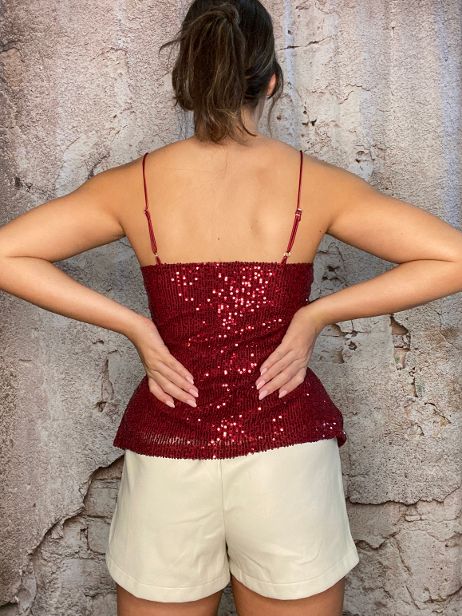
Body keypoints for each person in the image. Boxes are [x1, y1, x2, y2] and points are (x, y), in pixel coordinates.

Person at [1, 1, 461, 615]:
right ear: (271, 82)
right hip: (286, 454)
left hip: (169, 449)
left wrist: (134, 326)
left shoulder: (131, 185)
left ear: (186, 80)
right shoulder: (316, 183)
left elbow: (7, 253)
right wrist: (316, 314)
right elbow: (452, 257)